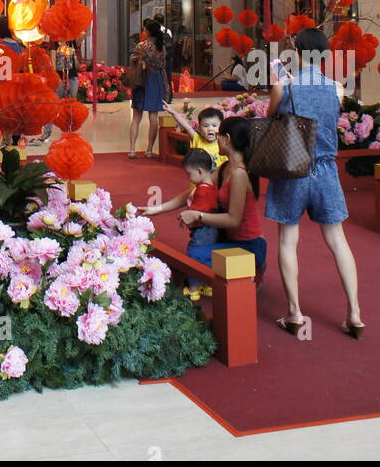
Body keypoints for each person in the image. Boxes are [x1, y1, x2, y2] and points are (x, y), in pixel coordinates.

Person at [264, 27, 363, 339]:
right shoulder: (337, 88)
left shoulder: (284, 86)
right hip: (326, 169)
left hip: (293, 167)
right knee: (338, 241)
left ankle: (294, 312)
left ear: (297, 51)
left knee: (287, 240)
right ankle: (355, 314)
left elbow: (270, 120)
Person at [181, 116, 267, 276]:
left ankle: (254, 267)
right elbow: (199, 189)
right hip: (229, 239)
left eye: (218, 134)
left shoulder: (239, 174)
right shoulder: (226, 167)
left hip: (248, 244)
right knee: (194, 252)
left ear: (227, 139)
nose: (215, 137)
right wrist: (158, 208)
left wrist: (198, 215)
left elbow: (234, 220)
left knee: (194, 256)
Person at [144, 147, 219, 299]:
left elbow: (198, 213)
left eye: (188, 174)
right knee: (208, 255)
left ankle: (194, 287)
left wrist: (186, 219)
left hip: (203, 231)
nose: (188, 177)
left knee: (194, 255)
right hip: (212, 229)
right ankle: (207, 285)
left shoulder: (202, 191)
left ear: (199, 171)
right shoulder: (210, 185)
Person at [128, 23, 168, 159]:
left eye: (145, 29)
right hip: (156, 80)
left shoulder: (141, 46)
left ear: (148, 32)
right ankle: (149, 149)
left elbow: (133, 60)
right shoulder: (161, 47)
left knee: (136, 117)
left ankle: (132, 149)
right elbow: (163, 65)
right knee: (153, 117)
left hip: (142, 80)